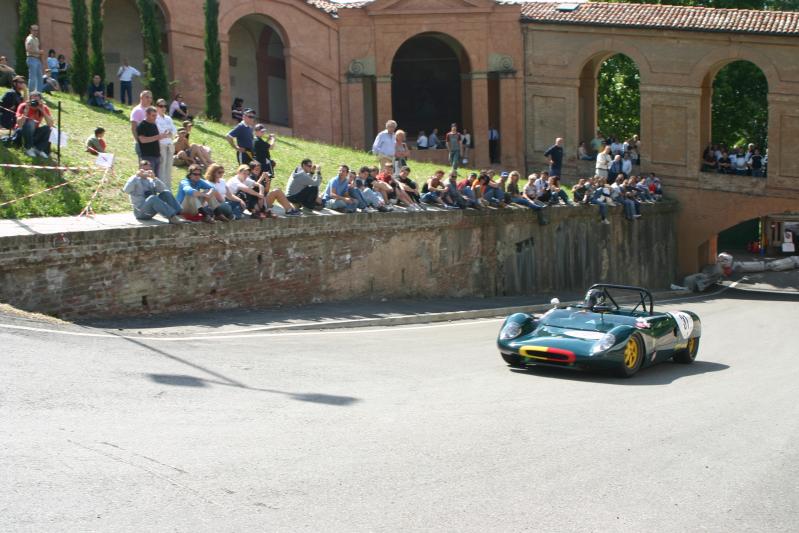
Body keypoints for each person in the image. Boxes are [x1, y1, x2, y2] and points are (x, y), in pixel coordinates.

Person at [16, 91, 53, 158]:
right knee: (31, 122)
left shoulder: (43, 107)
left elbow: (50, 124)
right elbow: (19, 124)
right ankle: (28, 148)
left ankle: (38, 149)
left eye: (36, 100)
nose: (34, 103)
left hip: (34, 131)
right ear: (29, 100)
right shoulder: (23, 106)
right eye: (33, 100)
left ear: (40, 100)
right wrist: (26, 111)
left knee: (48, 128)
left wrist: (42, 110)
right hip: (21, 131)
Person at [136, 106, 170, 176]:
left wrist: (162, 136)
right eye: (153, 115)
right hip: (147, 156)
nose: (155, 118)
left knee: (154, 179)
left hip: (156, 156)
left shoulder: (154, 125)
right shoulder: (142, 125)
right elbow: (142, 140)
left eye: (156, 116)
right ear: (147, 114)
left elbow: (155, 139)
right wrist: (158, 137)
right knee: (147, 178)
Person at [155, 98, 176, 190]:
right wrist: (168, 133)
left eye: (165, 106)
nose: (163, 108)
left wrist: (169, 133)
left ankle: (168, 189)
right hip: (161, 145)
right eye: (161, 106)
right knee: (162, 167)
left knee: (168, 168)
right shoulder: (155, 118)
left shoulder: (168, 118)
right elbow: (160, 131)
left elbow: (174, 130)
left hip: (170, 145)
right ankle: (161, 188)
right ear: (157, 107)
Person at [130, 90, 153, 156]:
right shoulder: (137, 110)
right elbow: (133, 128)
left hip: (152, 143)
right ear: (141, 98)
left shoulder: (151, 110)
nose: (149, 99)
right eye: (147, 97)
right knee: (144, 165)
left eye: (150, 97)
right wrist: (138, 141)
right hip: (142, 143)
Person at [25, 25, 44, 93]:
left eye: (37, 30)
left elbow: (36, 49)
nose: (36, 32)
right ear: (31, 30)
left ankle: (38, 93)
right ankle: (31, 93)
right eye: (34, 30)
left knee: (40, 78)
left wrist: (39, 53)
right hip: (31, 59)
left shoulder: (36, 39)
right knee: (32, 78)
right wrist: (38, 52)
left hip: (37, 59)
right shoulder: (29, 39)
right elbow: (28, 50)